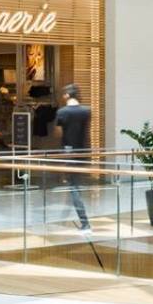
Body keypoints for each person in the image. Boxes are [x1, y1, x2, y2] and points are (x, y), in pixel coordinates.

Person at [54, 82, 93, 232]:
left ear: (66, 95)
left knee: (74, 187)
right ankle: (64, 218)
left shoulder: (62, 112)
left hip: (69, 153)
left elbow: (58, 133)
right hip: (84, 152)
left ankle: (84, 222)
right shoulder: (86, 111)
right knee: (74, 184)